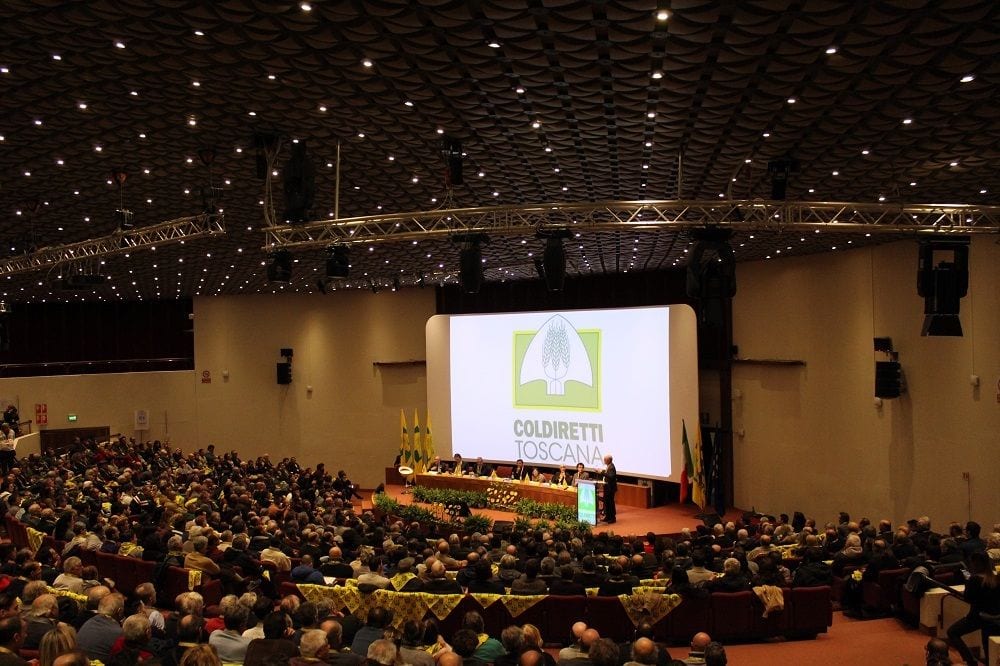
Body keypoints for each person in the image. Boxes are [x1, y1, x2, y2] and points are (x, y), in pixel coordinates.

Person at [947, 551, 1000, 666]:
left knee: (952, 632)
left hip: (976, 617)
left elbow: (968, 598)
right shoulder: (995, 578)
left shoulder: (974, 579)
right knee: (988, 650)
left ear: (976, 564)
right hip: (994, 618)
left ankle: (970, 660)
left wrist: (968, 581)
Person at [601, 455, 617, 524]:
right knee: (606, 503)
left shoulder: (612, 467)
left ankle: (612, 518)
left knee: (610, 503)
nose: (604, 461)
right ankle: (607, 516)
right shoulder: (609, 466)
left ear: (608, 460)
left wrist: (602, 472)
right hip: (607, 487)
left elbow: (611, 476)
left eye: (605, 460)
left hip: (610, 488)